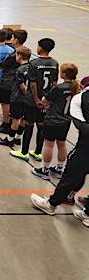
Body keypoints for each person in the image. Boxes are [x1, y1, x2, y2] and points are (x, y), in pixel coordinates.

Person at [30, 82, 89, 221]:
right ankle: (87, 213)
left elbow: (81, 125)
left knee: (72, 171)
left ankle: (51, 204)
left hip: (85, 146)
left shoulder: (81, 98)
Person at [32, 63, 79, 179]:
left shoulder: (59, 88)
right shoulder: (76, 88)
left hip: (53, 120)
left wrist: (47, 104)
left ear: (64, 74)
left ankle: (45, 170)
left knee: (48, 145)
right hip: (65, 121)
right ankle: (59, 169)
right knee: (62, 144)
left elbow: (45, 100)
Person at [16, 38, 59, 162]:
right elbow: (54, 83)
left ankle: (24, 152)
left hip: (32, 100)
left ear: (40, 47)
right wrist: (49, 100)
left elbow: (33, 83)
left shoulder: (34, 63)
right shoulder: (55, 63)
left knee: (29, 124)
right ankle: (38, 152)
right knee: (41, 125)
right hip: (46, 100)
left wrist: (36, 99)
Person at [0, 29, 27, 135]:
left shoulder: (13, 55)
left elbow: (0, 66)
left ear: (16, 40)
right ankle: (13, 125)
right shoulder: (25, 52)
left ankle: (6, 124)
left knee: (5, 104)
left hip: (7, 82)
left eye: (12, 38)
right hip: (17, 83)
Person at [0, 47, 32, 149]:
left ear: (19, 56)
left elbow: (22, 86)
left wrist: (25, 94)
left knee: (15, 118)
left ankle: (10, 139)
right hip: (28, 99)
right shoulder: (31, 67)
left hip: (18, 97)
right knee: (23, 118)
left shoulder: (19, 70)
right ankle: (18, 137)